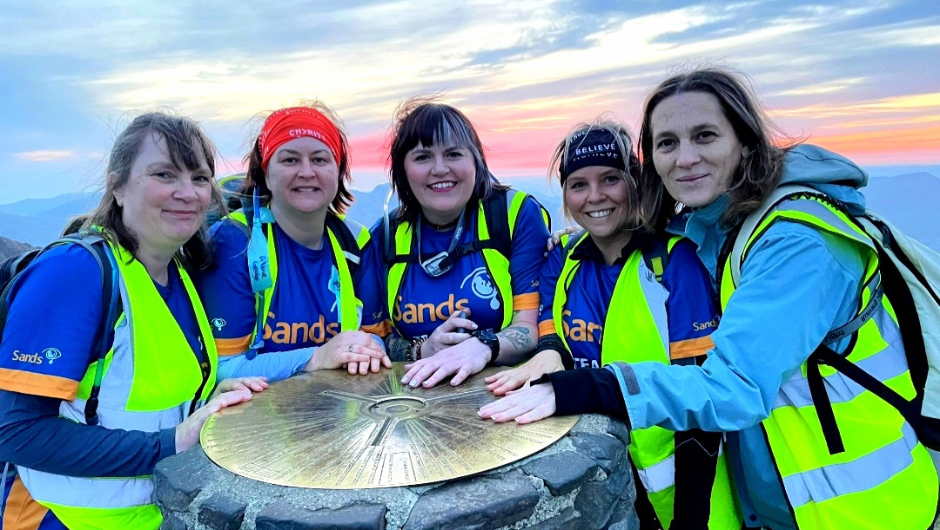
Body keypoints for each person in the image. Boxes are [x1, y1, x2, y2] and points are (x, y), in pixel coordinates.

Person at [480, 68, 939, 530]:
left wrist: (591, 387)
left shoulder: (799, 242)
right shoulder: (718, 229)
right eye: (667, 143)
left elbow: (734, 386)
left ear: (745, 140)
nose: (685, 159)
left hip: (864, 506)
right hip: (788, 500)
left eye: (705, 136)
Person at [0, 112, 265, 530]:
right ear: (118, 185)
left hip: (153, 515)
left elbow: (129, 394)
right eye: (165, 174)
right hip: (64, 520)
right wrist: (173, 443)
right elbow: (18, 432)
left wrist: (212, 393)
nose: (188, 193)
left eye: (199, 178)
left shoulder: (176, 275)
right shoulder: (74, 273)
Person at [483, 121, 741, 530]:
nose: (595, 196)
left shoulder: (674, 263)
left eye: (610, 179)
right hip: (605, 483)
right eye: (578, 185)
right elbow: (554, 335)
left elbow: (701, 401)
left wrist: (690, 518)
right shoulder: (564, 260)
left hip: (685, 494)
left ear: (635, 182)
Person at [358, 99, 550, 388]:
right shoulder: (384, 237)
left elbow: (531, 326)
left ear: (476, 162)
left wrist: (482, 347)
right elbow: (373, 340)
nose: (440, 169)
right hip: (415, 406)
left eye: (453, 154)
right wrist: (423, 350)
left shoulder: (515, 216)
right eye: (423, 157)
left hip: (507, 399)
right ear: (402, 171)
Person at [194, 104, 390, 383]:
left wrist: (364, 351)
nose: (307, 172)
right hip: (252, 422)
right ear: (265, 173)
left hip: (339, 415)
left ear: (339, 171)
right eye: (290, 160)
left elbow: (377, 343)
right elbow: (224, 368)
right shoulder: (236, 241)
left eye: (320, 159)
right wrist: (317, 357)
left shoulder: (355, 243)